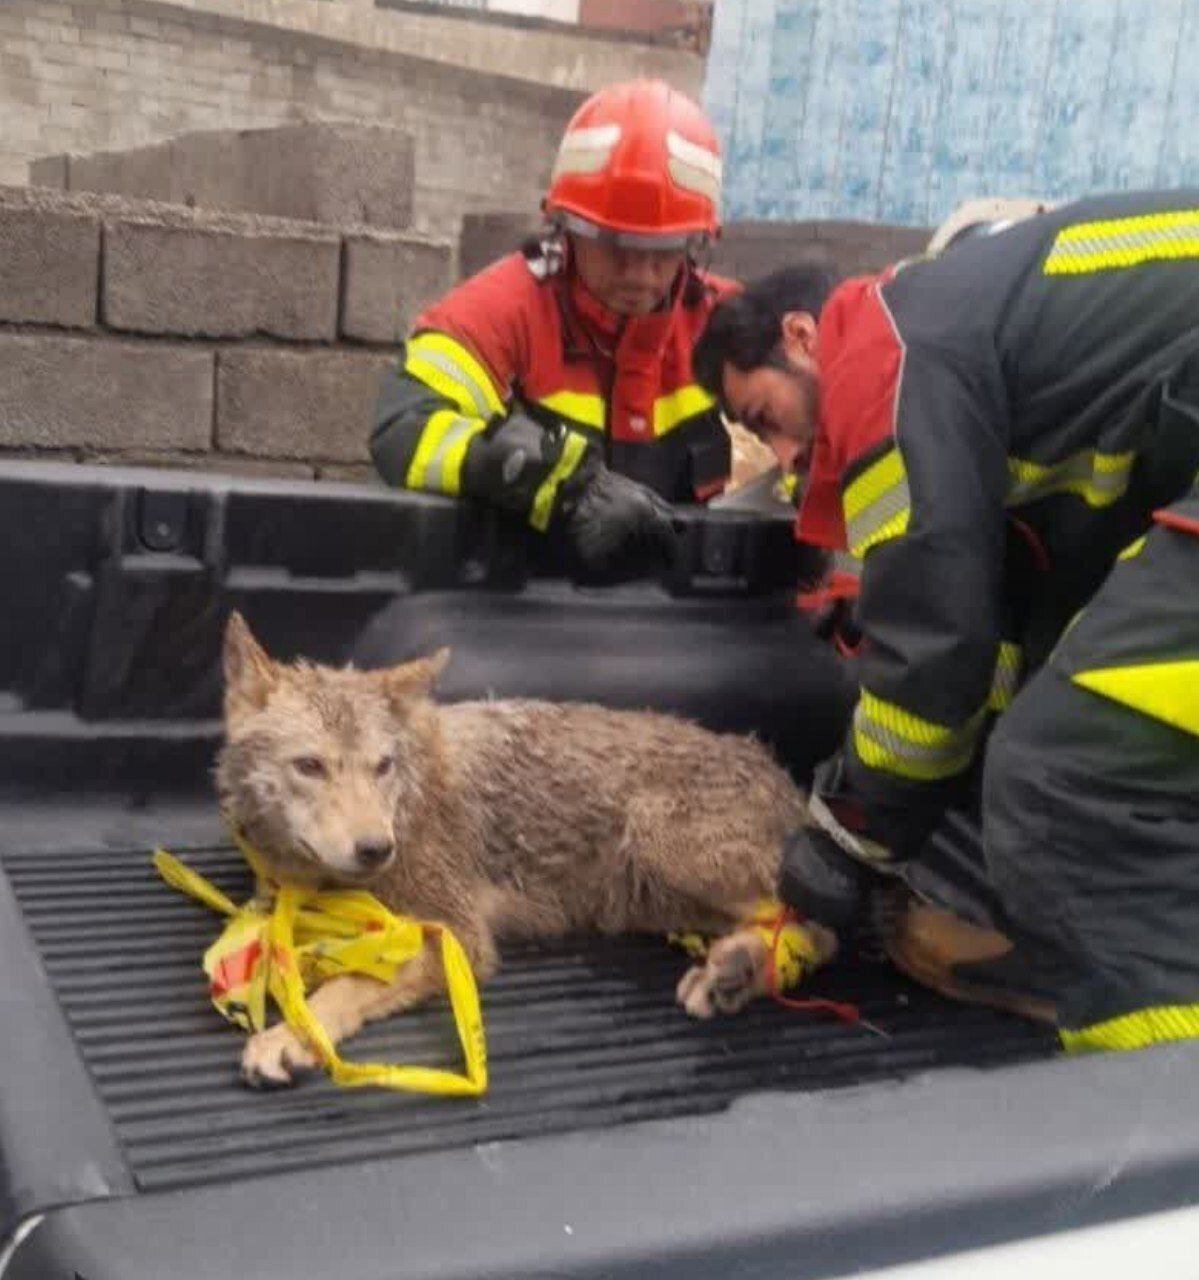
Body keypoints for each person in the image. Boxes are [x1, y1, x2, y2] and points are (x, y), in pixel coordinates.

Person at [692, 189, 1199, 1052]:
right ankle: (1089, 953)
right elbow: (1003, 637)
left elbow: (936, 654)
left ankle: (1156, 1113)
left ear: (801, 338)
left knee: (1061, 781)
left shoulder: (881, 348)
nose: (778, 460)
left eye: (764, 419)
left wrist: (849, 839)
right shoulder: (1012, 370)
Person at [371, 78, 736, 582]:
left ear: (696, 244)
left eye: (662, 251)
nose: (638, 274)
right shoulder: (508, 307)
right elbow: (404, 429)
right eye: (612, 245)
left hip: (687, 625)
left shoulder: (728, 323)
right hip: (526, 608)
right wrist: (564, 486)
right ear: (565, 228)